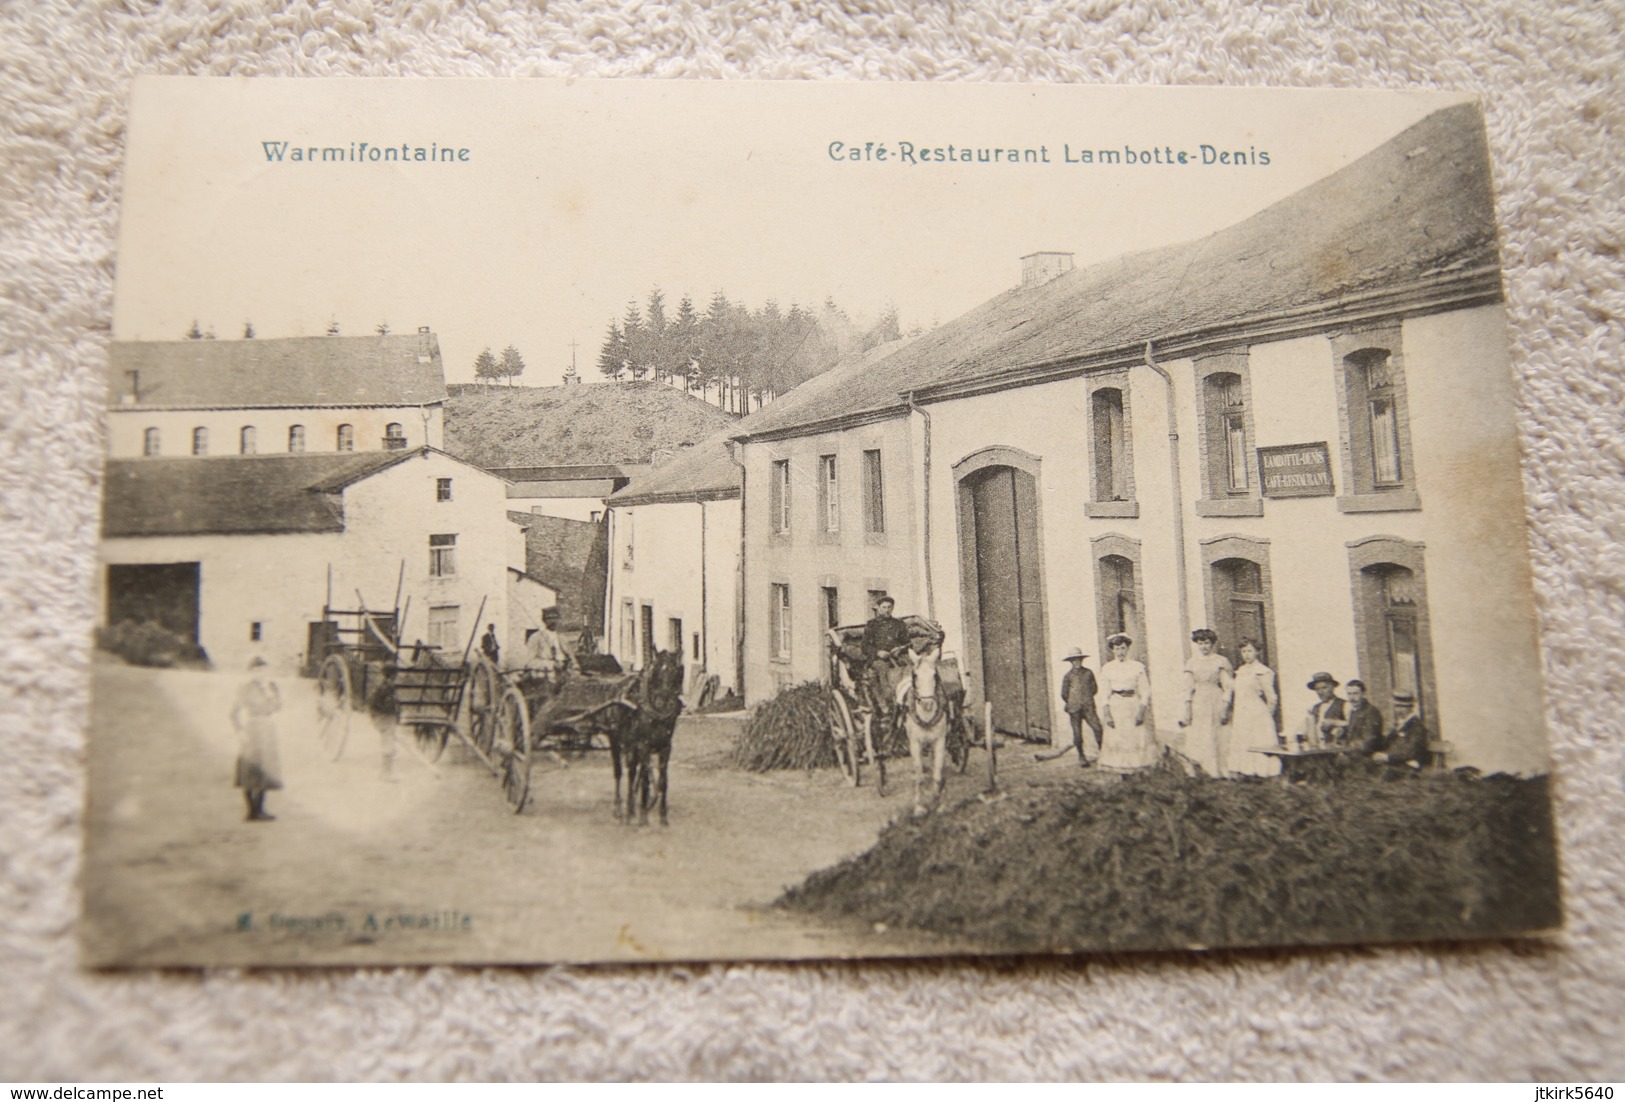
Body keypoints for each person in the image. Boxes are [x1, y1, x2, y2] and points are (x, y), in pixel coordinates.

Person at [231, 657, 283, 821]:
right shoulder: (245, 688)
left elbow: (277, 708)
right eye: (256, 671)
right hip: (252, 729)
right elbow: (233, 714)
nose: (260, 674)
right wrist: (240, 732)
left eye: (263, 670)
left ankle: (259, 809)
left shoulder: (272, 687)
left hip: (267, 730)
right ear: (251, 672)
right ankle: (250, 810)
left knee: (265, 769)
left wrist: (270, 694)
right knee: (248, 770)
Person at [1097, 633, 1156, 772]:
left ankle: (1137, 767)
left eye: (1123, 648)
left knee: (1135, 735)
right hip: (1116, 705)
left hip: (1132, 705)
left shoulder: (1137, 667)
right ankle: (1120, 769)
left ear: (1128, 649)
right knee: (1118, 736)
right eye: (1117, 649)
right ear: (1112, 650)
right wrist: (1107, 714)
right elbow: (1104, 693)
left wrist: (1141, 712)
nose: (1120, 652)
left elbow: (1145, 691)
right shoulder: (1107, 668)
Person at [1179, 628, 1234, 777]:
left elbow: (1228, 686)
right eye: (1201, 643)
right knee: (1201, 734)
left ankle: (1220, 770)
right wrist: (1187, 707)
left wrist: (1225, 705)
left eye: (1207, 643)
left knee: (1218, 734)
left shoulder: (1220, 661)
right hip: (1199, 701)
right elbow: (1188, 688)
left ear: (1212, 644)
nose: (1204, 646)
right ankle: (1201, 770)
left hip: (1216, 698)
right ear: (1196, 644)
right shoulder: (1192, 662)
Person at [1038, 648, 1103, 766]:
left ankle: (1103, 754)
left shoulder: (1088, 673)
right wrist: (1073, 701)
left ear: (1082, 660)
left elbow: (1094, 689)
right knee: (1077, 733)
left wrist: (1086, 698)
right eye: (1074, 660)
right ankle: (1081, 757)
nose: (1077, 662)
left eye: (1079, 659)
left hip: (1088, 707)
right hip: (1074, 708)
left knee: (1097, 728)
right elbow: (1064, 693)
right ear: (1071, 662)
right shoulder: (1068, 676)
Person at [1227, 637, 1280, 777]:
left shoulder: (1262, 671)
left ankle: (1264, 772)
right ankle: (1247, 772)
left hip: (1257, 712)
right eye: (1243, 651)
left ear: (1257, 652)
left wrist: (1267, 716)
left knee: (1259, 740)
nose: (1246, 654)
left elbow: (1272, 697)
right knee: (1244, 740)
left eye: (1250, 651)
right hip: (1241, 711)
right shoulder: (1240, 671)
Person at [860, 595, 913, 707]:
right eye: (884, 607)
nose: (887, 610)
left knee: (910, 667)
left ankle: (909, 696)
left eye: (889, 607)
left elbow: (907, 643)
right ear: (878, 608)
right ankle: (886, 702)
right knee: (883, 670)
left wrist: (900, 649)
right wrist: (878, 653)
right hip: (878, 659)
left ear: (892, 608)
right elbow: (865, 646)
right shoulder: (871, 625)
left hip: (897, 657)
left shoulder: (899, 624)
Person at [1371, 690, 1429, 769]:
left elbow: (1410, 751)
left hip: (1410, 765)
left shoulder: (1417, 726)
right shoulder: (1399, 724)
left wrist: (1388, 757)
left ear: (1411, 707)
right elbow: (1388, 742)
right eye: (1397, 706)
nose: (1399, 710)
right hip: (1395, 762)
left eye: (1402, 706)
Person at [1300, 671, 1347, 749]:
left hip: (1337, 749)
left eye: (1324, 688)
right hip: (1318, 749)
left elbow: (1355, 724)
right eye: (1317, 689)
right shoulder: (1315, 708)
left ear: (1332, 687)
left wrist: (1335, 723)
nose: (1321, 692)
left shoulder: (1343, 704)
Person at [1343, 678, 1385, 755]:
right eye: (1349, 694)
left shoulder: (1371, 712)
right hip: (1354, 753)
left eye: (1356, 693)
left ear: (1363, 694)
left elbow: (1370, 740)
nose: (1352, 698)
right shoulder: (1354, 711)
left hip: (1368, 756)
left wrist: (1348, 748)